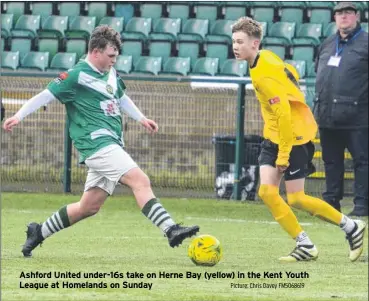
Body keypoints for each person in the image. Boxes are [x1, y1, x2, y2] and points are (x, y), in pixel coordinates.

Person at [2, 25, 199, 257]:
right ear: (95, 51)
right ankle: (171, 229)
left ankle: (38, 232)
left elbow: (120, 97)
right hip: (96, 143)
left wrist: (141, 118)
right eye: (111, 56)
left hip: (110, 142)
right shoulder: (75, 75)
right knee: (140, 180)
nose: (114, 60)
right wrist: (18, 116)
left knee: (88, 207)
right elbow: (45, 96)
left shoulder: (110, 72)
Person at [231, 17, 366, 262]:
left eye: (240, 42)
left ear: (255, 43)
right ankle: (305, 245)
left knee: (296, 198)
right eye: (234, 42)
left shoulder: (263, 75)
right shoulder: (264, 57)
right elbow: (290, 73)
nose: (235, 46)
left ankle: (350, 226)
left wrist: (283, 155)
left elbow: (283, 114)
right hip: (274, 135)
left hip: (293, 136)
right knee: (267, 192)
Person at [314, 2, 368, 216]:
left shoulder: (366, 43)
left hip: (359, 117)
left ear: (357, 16)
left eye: (348, 13)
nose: (343, 17)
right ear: (334, 18)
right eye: (339, 13)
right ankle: (331, 203)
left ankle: (362, 205)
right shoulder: (327, 43)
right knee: (331, 162)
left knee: (363, 162)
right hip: (328, 116)